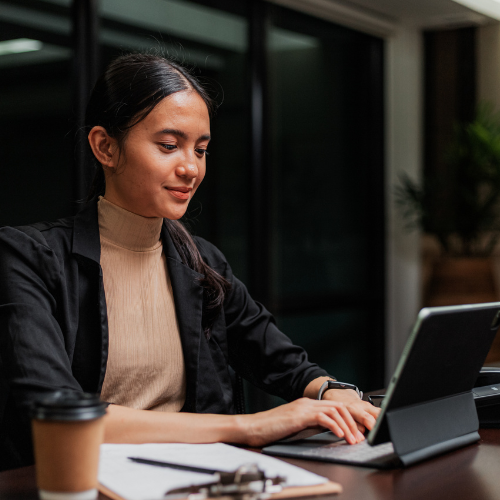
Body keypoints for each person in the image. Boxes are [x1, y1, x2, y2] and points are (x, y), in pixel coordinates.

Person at [0, 53, 379, 472]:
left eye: (201, 150)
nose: (191, 168)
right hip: (82, 482)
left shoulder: (200, 261)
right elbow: (56, 410)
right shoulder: (29, 257)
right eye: (168, 146)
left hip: (195, 480)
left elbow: (280, 361)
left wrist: (330, 391)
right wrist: (250, 427)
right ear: (105, 147)